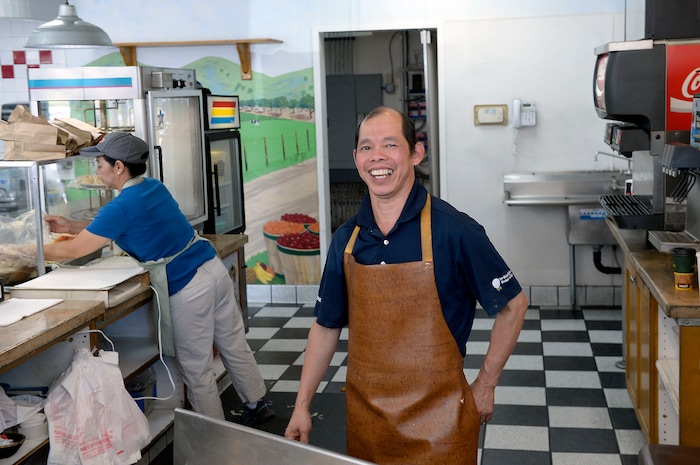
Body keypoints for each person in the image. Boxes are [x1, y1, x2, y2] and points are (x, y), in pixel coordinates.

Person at [284, 107, 528, 465]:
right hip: (367, 423)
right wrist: (302, 406)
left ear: (416, 153)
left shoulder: (454, 231)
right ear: (355, 159)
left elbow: (513, 305)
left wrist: (486, 384)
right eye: (366, 148)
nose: (377, 157)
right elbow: (325, 327)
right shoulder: (346, 240)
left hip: (442, 425)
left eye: (390, 145)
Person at [41, 131, 274, 427]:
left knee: (196, 367)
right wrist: (71, 224)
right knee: (233, 342)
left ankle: (214, 435)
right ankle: (256, 403)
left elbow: (73, 249)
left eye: (99, 165)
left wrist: (27, 251)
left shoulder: (121, 206)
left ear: (118, 167)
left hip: (188, 286)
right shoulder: (152, 187)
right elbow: (118, 226)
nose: (96, 172)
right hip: (211, 268)